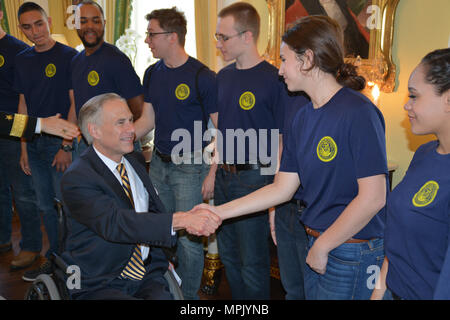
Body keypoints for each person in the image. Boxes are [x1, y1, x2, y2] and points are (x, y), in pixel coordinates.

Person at [196, 15, 388, 300]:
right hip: (317, 240)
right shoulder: (302, 117)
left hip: (350, 249)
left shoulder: (357, 112)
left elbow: (374, 198)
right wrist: (218, 212)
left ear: (307, 59)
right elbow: (282, 188)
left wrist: (324, 246)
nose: (280, 71)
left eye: (285, 60)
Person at [60, 93, 221, 300]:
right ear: (94, 130)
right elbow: (116, 223)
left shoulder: (134, 161)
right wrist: (181, 219)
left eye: (130, 120)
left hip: (146, 274)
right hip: (100, 279)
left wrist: (161, 256)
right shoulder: (77, 177)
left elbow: (151, 211)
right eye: (121, 123)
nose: (131, 129)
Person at [132, 7, 218, 300]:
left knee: (190, 241)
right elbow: (148, 120)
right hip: (158, 162)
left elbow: (221, 131)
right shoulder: (152, 73)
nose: (147, 41)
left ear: (171, 37)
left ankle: (188, 298)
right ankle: (164, 289)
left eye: (152, 34)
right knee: (161, 231)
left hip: (191, 167)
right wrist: (121, 136)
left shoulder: (203, 76)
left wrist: (214, 172)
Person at [209, 2, 288, 300]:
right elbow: (222, 132)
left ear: (247, 36)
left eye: (223, 37)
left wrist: (276, 194)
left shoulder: (275, 79)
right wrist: (213, 172)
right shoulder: (223, 77)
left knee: (253, 263)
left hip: (255, 179)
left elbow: (282, 140)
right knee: (229, 259)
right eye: (217, 37)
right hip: (224, 178)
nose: (219, 44)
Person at [371, 48, 450, 300]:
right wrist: (378, 292)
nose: (406, 104)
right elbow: (397, 239)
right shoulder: (425, 154)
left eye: (414, 96)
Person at [14, 2, 78, 281]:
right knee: (45, 206)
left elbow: (76, 104)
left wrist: (66, 144)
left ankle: (74, 262)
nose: (35, 31)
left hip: (59, 144)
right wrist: (23, 146)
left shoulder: (69, 56)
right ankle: (53, 258)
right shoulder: (22, 59)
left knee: (67, 205)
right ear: (20, 29)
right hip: (34, 144)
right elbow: (22, 105)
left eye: (39, 24)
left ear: (49, 21)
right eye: (27, 27)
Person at [70, 0, 144, 156]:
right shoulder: (76, 61)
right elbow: (76, 106)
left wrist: (118, 136)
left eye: (95, 21)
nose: (89, 26)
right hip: (87, 146)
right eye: (83, 21)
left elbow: (138, 109)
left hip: (116, 147)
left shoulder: (117, 59)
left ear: (103, 23)